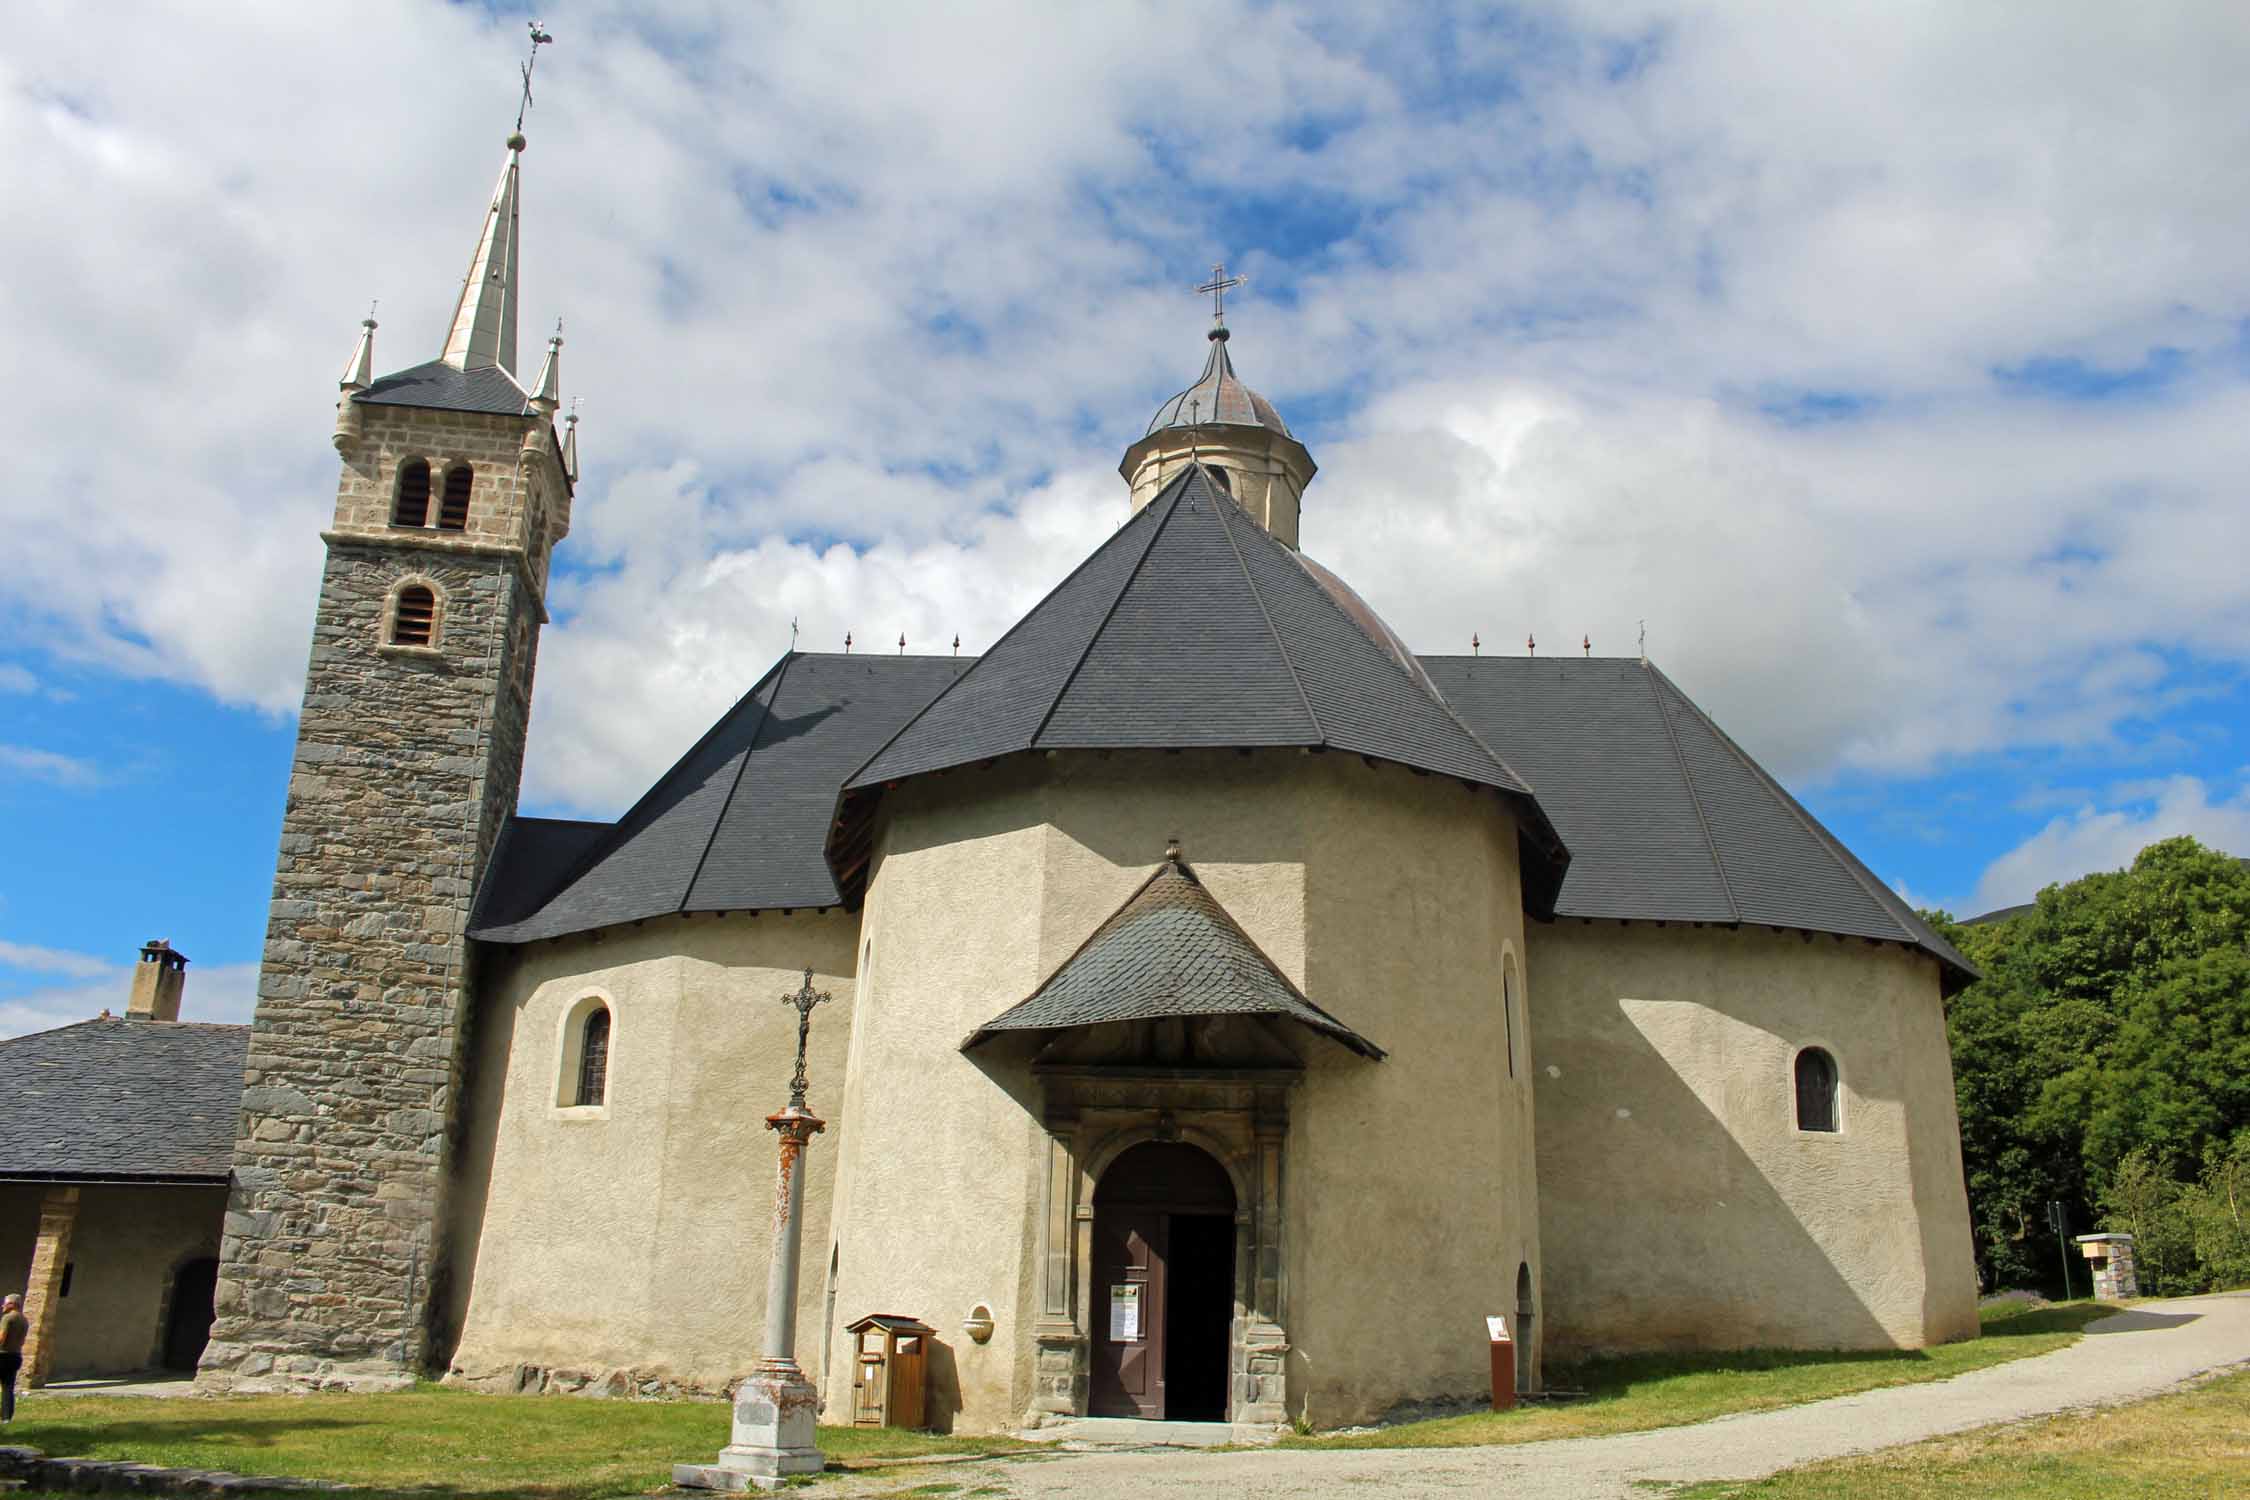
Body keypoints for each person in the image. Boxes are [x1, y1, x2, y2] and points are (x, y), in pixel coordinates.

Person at [0, 1292, 26, 1422]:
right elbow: (21, 1341)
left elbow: (2, 1337)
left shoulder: (8, 1318)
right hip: (15, 1355)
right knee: (8, 1388)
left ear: (11, 1304)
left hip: (3, 1355)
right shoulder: (23, 1319)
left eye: (5, 1303)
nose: (2, 1306)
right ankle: (6, 1418)